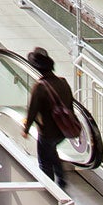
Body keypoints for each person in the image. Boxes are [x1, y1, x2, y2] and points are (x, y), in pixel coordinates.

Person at [23, 48, 76, 188]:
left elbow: (32, 111)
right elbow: (70, 105)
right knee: (52, 152)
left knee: (44, 161)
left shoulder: (39, 87)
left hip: (47, 132)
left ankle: (49, 188)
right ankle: (61, 179)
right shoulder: (63, 82)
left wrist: (26, 129)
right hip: (62, 131)